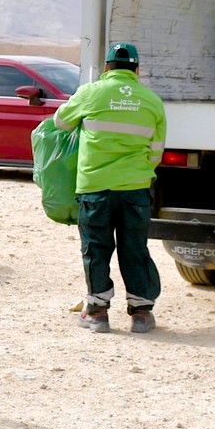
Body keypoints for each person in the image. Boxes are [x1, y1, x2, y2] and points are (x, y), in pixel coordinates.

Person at [53, 40, 167, 333]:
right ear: (137, 69)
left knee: (96, 250)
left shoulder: (91, 93)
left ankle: (97, 314)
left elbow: (61, 122)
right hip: (135, 189)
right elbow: (156, 152)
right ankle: (141, 314)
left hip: (95, 188)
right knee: (134, 249)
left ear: (106, 68)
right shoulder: (152, 101)